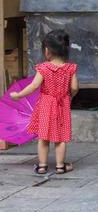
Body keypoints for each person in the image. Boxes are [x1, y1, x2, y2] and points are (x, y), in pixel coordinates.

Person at [11, 30, 79, 175]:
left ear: (47, 50)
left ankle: (42, 166)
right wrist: (69, 96)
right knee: (60, 137)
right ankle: (60, 166)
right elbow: (74, 87)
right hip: (63, 104)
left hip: (46, 105)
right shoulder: (71, 68)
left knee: (44, 136)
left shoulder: (43, 68)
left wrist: (18, 95)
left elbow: (34, 86)